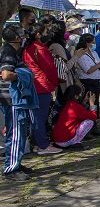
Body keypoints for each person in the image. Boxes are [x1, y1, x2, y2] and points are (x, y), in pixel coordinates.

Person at [22, 21, 63, 155]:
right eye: (45, 31)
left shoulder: (28, 48)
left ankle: (36, 142)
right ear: (39, 34)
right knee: (40, 117)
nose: (47, 34)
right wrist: (53, 83)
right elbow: (50, 69)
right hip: (42, 85)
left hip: (32, 84)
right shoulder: (40, 49)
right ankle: (42, 145)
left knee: (34, 116)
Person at [2, 25, 36, 180]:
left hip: (17, 99)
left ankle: (17, 162)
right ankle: (11, 169)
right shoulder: (8, 52)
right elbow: (6, 75)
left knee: (19, 132)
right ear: (16, 37)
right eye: (21, 34)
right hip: (12, 100)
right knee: (15, 133)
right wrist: (23, 74)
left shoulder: (14, 51)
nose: (24, 36)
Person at [75, 33, 100, 135]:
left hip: (96, 80)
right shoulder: (81, 54)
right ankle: (87, 128)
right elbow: (88, 70)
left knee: (95, 103)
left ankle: (94, 125)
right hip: (87, 81)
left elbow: (97, 65)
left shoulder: (94, 52)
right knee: (88, 103)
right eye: (92, 42)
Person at [52, 85, 96, 149]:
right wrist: (92, 104)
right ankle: (75, 142)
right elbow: (93, 116)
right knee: (89, 122)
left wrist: (84, 101)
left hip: (57, 140)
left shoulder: (67, 104)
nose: (81, 96)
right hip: (65, 141)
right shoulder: (75, 106)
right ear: (76, 96)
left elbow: (79, 112)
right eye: (80, 94)